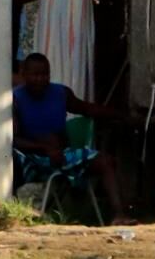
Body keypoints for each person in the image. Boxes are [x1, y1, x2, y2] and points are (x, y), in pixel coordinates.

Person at [12, 53, 133, 223]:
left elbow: (87, 109)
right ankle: (11, 213)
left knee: (105, 161)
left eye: (45, 74)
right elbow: (12, 138)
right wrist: (44, 148)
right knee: (9, 159)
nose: (40, 79)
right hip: (30, 158)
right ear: (24, 74)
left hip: (63, 156)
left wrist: (121, 115)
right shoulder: (14, 99)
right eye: (35, 74)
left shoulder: (60, 93)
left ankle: (120, 215)